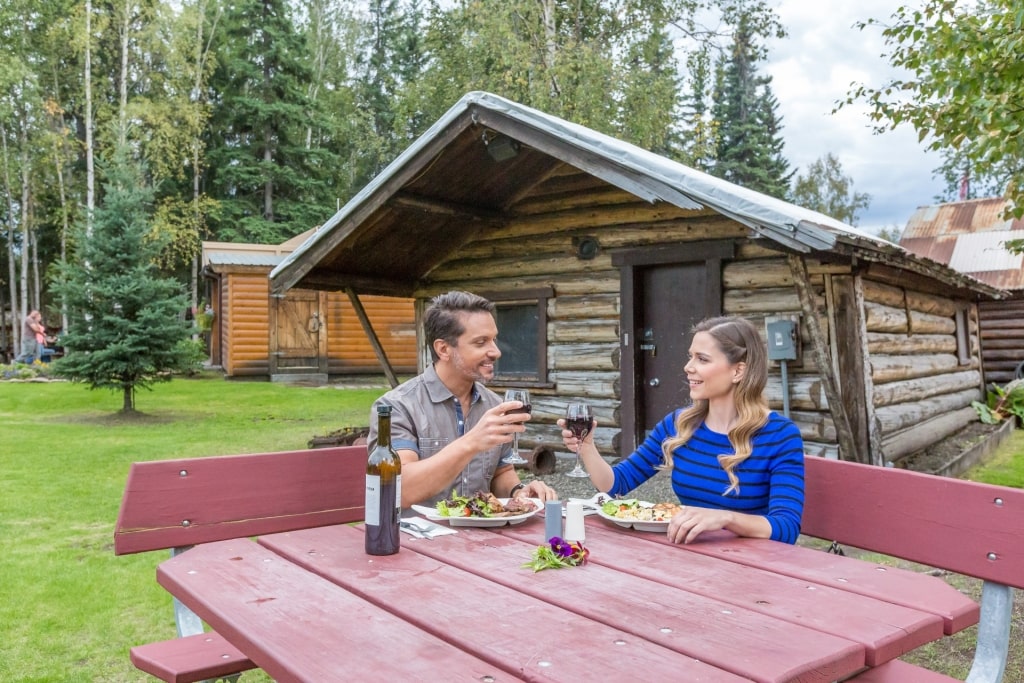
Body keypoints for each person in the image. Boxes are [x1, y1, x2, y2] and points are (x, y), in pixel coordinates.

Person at [559, 315, 805, 544]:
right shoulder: (679, 425)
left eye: (702, 359)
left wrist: (725, 518)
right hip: (689, 557)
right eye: (690, 356)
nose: (688, 367)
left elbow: (786, 528)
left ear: (738, 371)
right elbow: (616, 485)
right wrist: (588, 448)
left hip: (755, 567)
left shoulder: (779, 435)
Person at [367, 290, 558, 508]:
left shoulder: (494, 404)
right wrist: (471, 442)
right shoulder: (396, 407)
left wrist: (519, 492)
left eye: (494, 340)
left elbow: (501, 472)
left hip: (482, 537)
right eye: (480, 342)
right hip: (416, 538)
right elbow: (400, 490)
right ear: (444, 349)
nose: (496, 352)